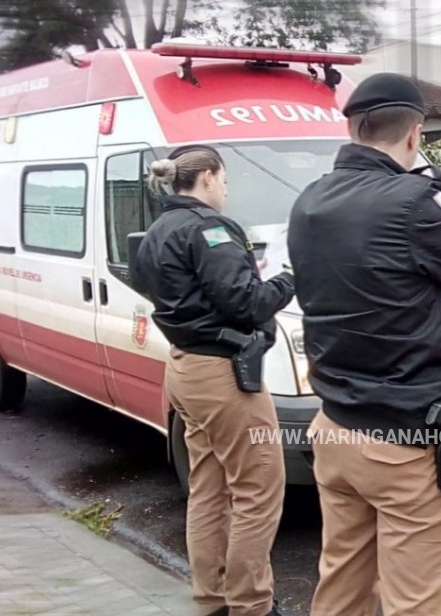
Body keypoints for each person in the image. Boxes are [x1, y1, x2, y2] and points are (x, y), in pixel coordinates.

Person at [286, 72, 441, 616]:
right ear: (414, 135)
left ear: (352, 128)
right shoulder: (417, 201)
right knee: (417, 603)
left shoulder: (310, 200)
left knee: (342, 587)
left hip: (336, 426)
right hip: (404, 441)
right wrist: (438, 193)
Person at [131, 145, 295, 616]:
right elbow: (247, 303)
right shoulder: (210, 229)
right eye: (224, 179)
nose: (226, 188)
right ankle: (251, 605)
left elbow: (164, 286)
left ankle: (213, 600)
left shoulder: (160, 228)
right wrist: (288, 279)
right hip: (223, 373)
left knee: (209, 487)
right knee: (258, 488)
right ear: (206, 177)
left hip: (184, 366)